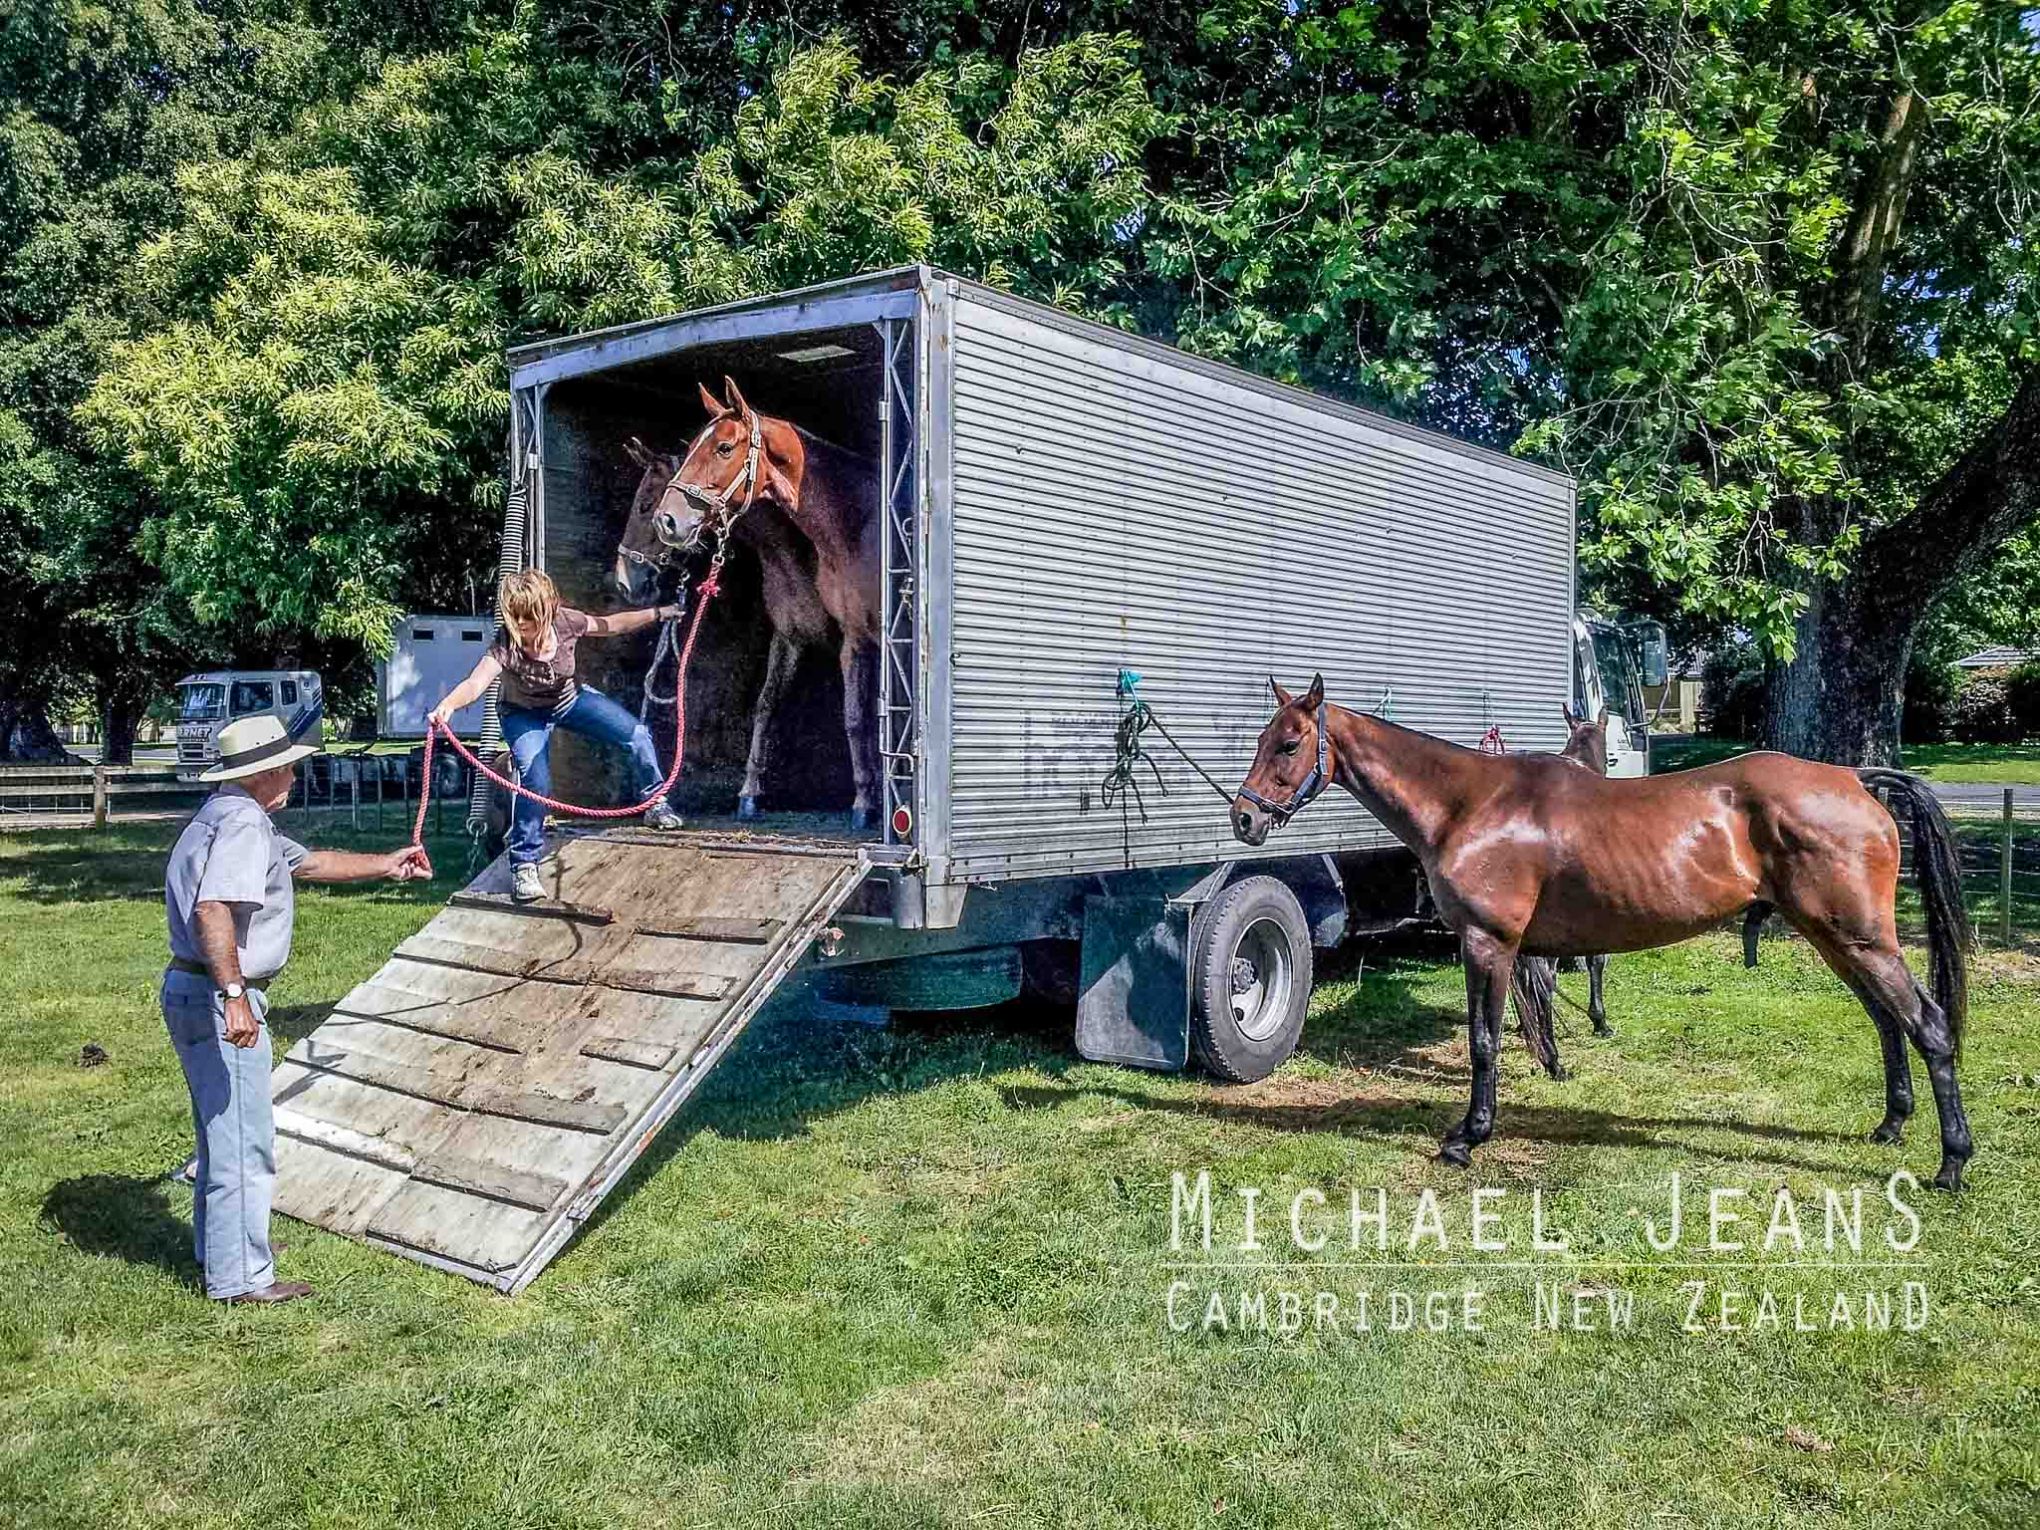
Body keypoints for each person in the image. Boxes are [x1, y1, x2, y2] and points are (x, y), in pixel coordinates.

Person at [163, 715, 432, 1304]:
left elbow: (308, 863)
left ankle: (231, 1246)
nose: (293, 774)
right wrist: (234, 998)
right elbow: (213, 909)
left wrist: (386, 863)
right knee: (244, 1139)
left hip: (190, 990)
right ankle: (240, 1280)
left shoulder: (227, 816)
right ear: (258, 773)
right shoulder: (241, 825)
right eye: (285, 766)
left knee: (222, 1133)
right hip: (218, 996)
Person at [430, 568, 684, 903]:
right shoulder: (506, 644)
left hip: (570, 701)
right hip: (523, 716)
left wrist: (660, 613)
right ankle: (523, 864)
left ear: (547, 609)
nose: (520, 624)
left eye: (527, 617)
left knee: (637, 734)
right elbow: (476, 684)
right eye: (515, 616)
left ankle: (655, 803)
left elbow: (612, 625)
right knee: (536, 781)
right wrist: (448, 705)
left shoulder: (567, 622)